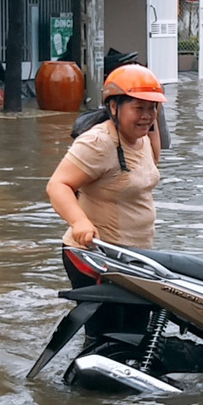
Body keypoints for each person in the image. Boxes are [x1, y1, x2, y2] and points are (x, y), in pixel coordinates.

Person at [46, 63, 166, 346]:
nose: (147, 116)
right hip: (96, 257)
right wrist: (80, 222)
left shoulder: (144, 136)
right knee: (105, 336)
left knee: (136, 334)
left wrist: (152, 122)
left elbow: (151, 167)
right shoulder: (98, 142)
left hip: (136, 257)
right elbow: (58, 185)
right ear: (114, 108)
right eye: (139, 108)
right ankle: (86, 387)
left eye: (153, 109)